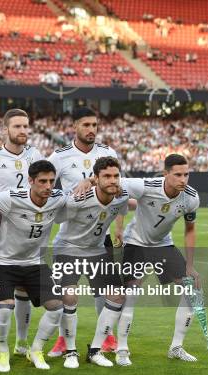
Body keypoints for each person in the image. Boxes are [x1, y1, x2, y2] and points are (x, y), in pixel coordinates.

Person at [88, 153, 200, 366]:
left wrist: (190, 265)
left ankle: (176, 347)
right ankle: (122, 349)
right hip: (136, 243)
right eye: (178, 175)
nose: (183, 180)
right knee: (130, 296)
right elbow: (112, 183)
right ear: (166, 174)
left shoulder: (191, 197)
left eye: (186, 174)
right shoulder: (146, 186)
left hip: (163, 245)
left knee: (192, 290)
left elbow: (190, 230)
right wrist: (89, 180)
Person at [47, 107, 123, 357]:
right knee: (67, 294)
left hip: (100, 233)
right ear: (75, 127)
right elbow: (45, 185)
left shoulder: (108, 152)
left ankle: (107, 337)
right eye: (86, 125)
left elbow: (117, 188)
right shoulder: (59, 156)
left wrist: (90, 181)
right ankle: (62, 340)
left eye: (95, 125)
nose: (91, 130)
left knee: (105, 290)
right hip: (71, 234)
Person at [0, 108, 44, 360]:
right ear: (5, 130)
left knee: (24, 291)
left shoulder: (35, 155)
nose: (23, 131)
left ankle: (22, 342)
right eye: (17, 126)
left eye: (26, 126)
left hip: (28, 239)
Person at [0, 160, 67, 372]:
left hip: (35, 263)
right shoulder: (10, 198)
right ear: (30, 181)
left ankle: (36, 349)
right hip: (5, 262)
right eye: (42, 181)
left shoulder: (58, 199)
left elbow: (78, 197)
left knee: (57, 308)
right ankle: (3, 351)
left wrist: (88, 182)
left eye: (52, 181)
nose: (48, 186)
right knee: (4, 308)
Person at [52, 156, 129, 368]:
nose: (113, 180)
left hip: (96, 251)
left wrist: (120, 230)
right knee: (69, 296)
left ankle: (95, 350)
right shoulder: (79, 198)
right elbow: (56, 218)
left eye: (116, 176)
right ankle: (70, 352)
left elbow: (124, 207)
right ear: (96, 178)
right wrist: (84, 184)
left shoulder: (121, 197)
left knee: (117, 295)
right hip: (68, 248)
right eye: (107, 177)